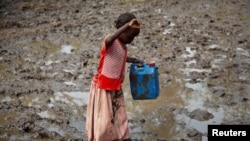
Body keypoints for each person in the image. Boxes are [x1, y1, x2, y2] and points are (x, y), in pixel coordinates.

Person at [85, 12, 144, 141]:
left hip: (115, 87)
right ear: (120, 31)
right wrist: (127, 26)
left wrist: (136, 60)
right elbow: (110, 38)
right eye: (129, 36)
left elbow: (120, 57)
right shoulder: (110, 41)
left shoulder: (122, 46)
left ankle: (120, 136)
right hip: (103, 87)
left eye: (133, 37)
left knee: (119, 115)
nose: (131, 40)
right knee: (105, 119)